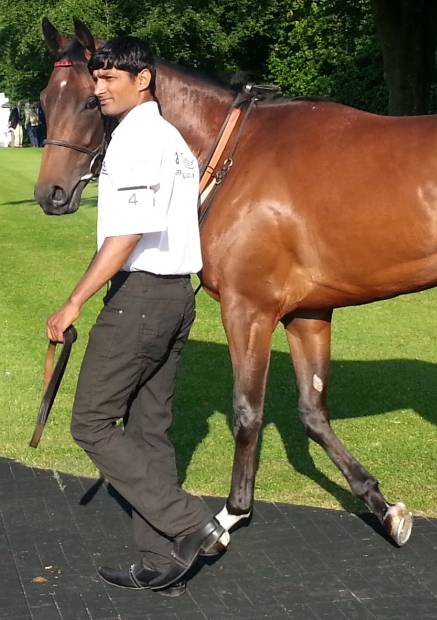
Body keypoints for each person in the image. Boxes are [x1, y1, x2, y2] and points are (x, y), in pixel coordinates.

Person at [46, 36, 224, 598]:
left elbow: (128, 233)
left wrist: (75, 300)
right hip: (175, 298)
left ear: (142, 79)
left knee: (91, 422)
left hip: (141, 298)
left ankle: (192, 523)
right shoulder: (171, 139)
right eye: (96, 78)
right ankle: (160, 560)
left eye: (108, 79)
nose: (98, 89)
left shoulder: (137, 139)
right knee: (149, 430)